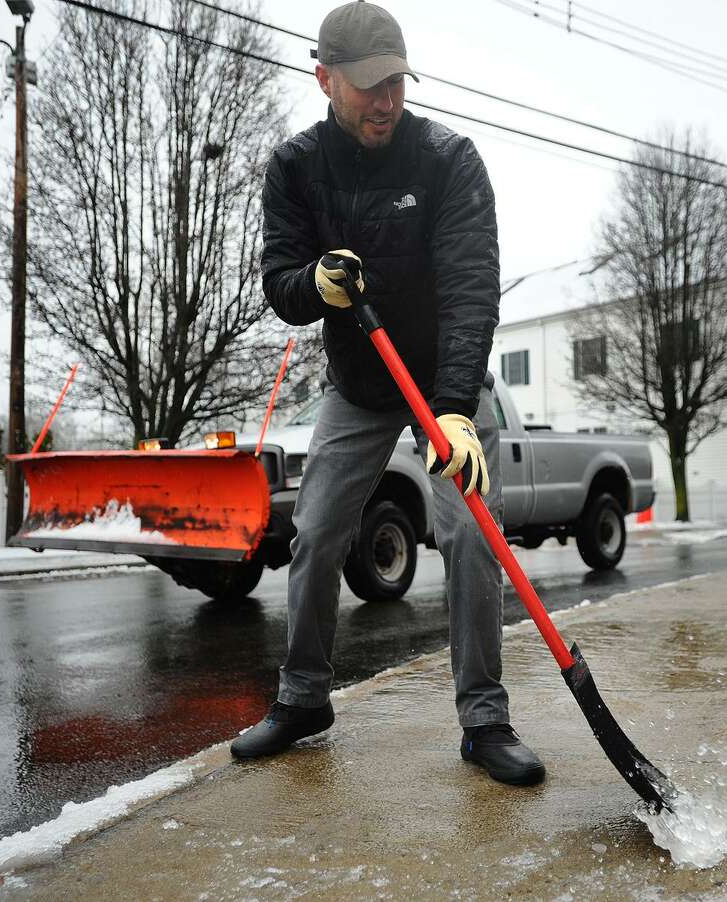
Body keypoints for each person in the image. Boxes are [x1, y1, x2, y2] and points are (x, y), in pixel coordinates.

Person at [230, 0, 545, 787]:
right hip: (362, 382)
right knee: (317, 531)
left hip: (444, 379)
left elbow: (472, 288)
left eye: (397, 81)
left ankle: (485, 717)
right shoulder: (296, 167)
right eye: (368, 85)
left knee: (471, 531)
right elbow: (280, 284)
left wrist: (457, 411)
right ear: (325, 79)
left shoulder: (448, 160)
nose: (386, 99)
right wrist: (318, 285)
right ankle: (303, 699)